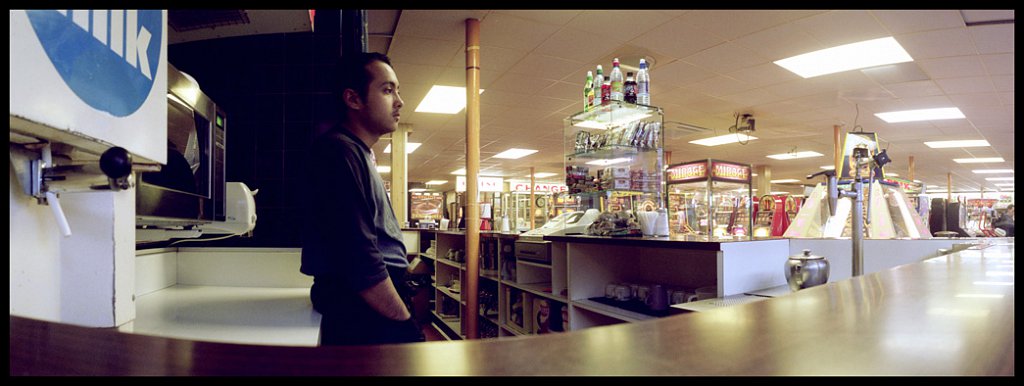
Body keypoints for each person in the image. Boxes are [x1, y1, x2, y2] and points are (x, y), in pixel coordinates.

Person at [301, 52, 424, 346]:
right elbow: (358, 257)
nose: (399, 101)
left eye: (397, 90)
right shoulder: (338, 153)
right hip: (362, 307)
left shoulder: (359, 153)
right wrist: (404, 323)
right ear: (353, 99)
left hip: (368, 301)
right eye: (387, 89)